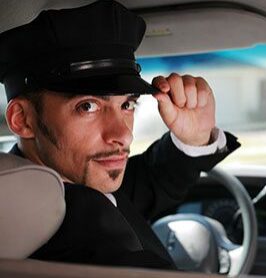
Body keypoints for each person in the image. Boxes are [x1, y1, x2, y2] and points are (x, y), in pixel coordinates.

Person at [0, 0, 240, 270]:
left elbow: (148, 182)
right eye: (87, 106)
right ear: (22, 119)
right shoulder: (83, 242)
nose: (123, 135)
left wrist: (195, 137)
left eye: (127, 105)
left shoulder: (64, 183)